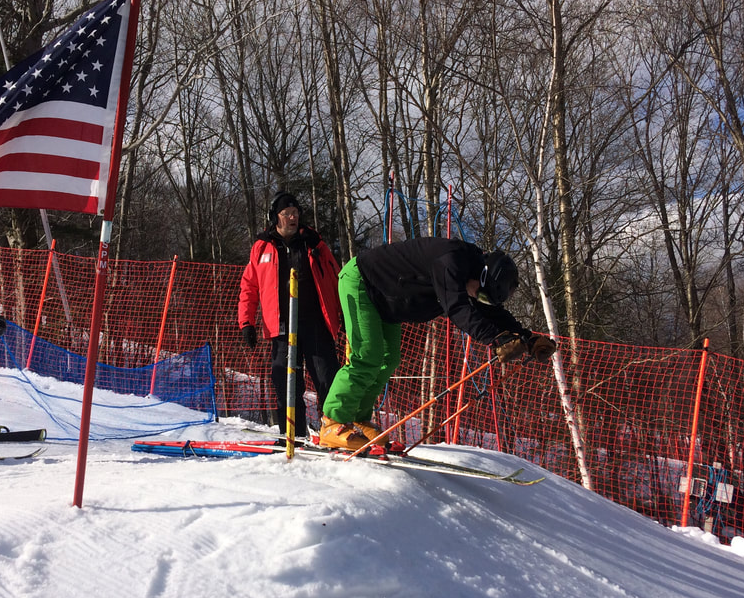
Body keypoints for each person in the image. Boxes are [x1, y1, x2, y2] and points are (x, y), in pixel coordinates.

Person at [318, 236, 557, 450]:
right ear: (483, 276)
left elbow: (491, 313)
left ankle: (358, 419)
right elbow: (457, 307)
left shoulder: (468, 272)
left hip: (386, 301)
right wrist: (495, 340)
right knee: (368, 355)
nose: (478, 298)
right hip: (363, 282)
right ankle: (333, 421)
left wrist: (527, 337)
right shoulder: (451, 261)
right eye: (481, 293)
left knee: (388, 360)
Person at [238, 191, 343, 437]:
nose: (293, 218)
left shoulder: (314, 243)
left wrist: (345, 315)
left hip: (315, 323)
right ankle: (293, 435)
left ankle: (334, 429)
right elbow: (249, 287)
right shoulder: (262, 247)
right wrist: (247, 322)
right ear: (276, 217)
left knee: (328, 379)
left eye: (295, 213)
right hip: (281, 327)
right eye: (287, 214)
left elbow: (337, 279)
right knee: (286, 384)